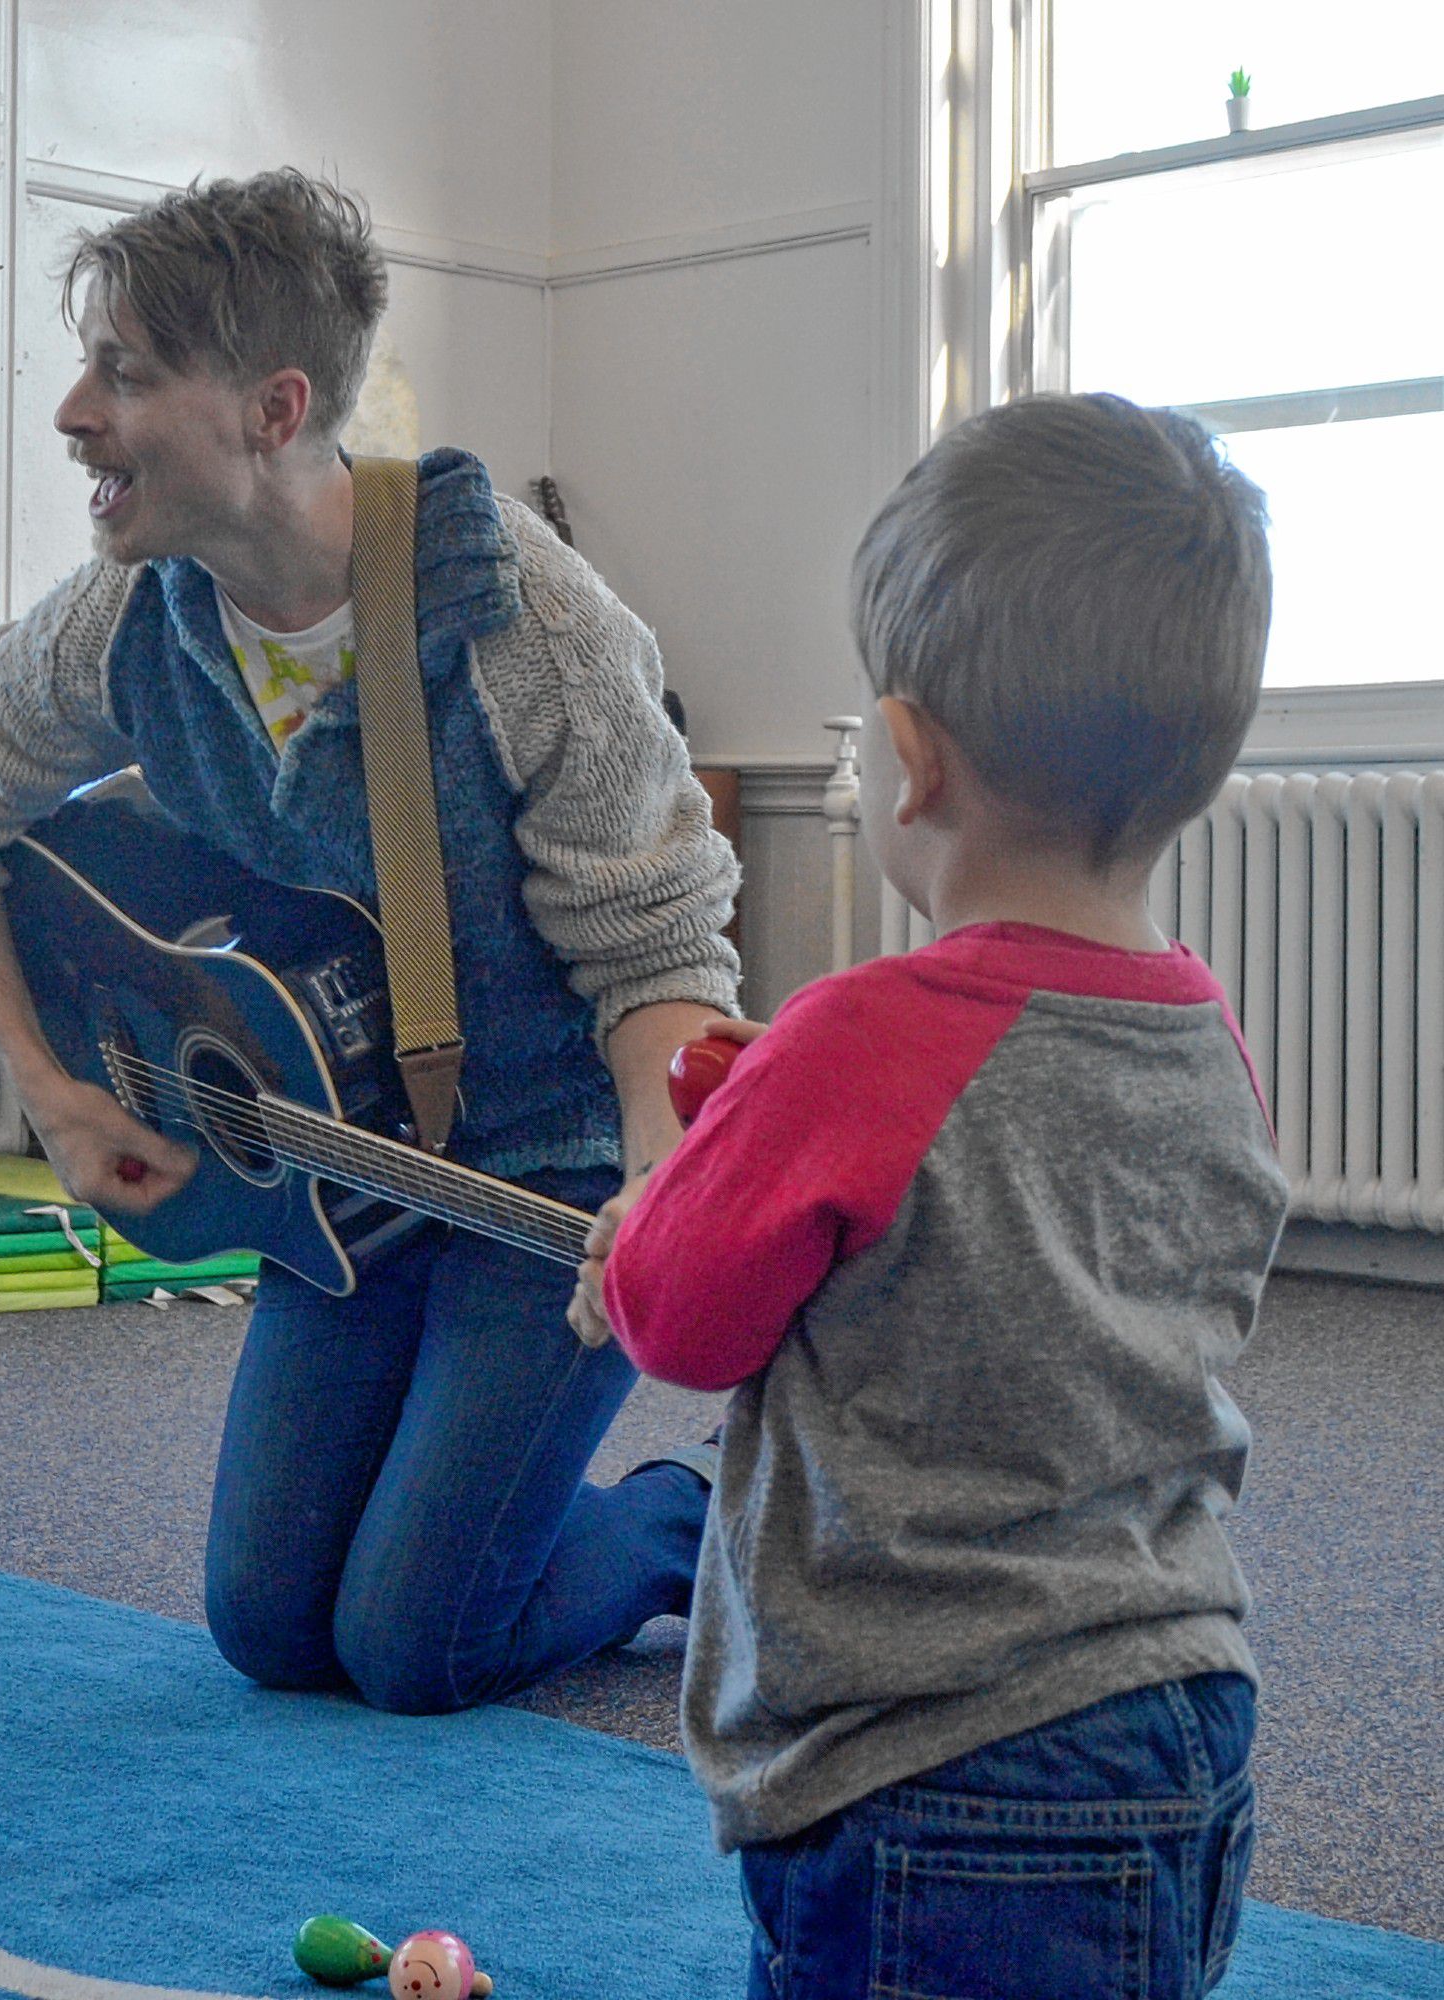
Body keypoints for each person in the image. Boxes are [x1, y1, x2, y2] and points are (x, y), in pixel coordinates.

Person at [0, 168, 742, 1712]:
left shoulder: (522, 619)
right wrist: (50, 1090)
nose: (74, 411)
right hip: (344, 1186)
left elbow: (659, 955)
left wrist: (659, 1197)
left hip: (547, 1181)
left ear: (274, 410)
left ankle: (682, 1522)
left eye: (126, 372)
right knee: (271, 1632)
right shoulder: (128, 619)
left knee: (414, 1647)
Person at [600, 393, 1280, 1999]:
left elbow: (681, 1321)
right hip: (1182, 1703)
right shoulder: (1203, 1029)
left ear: (906, 760)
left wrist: (670, 1192)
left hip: (935, 1766)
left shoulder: (863, 1038)